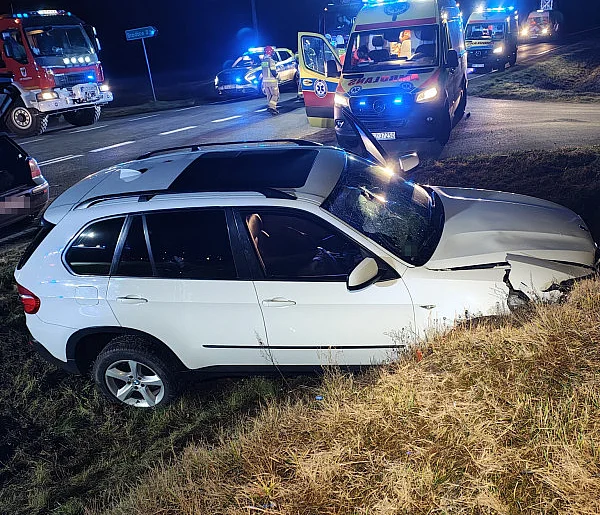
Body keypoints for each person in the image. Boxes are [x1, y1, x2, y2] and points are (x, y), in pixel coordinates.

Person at [261, 46, 280, 115]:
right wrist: (278, 77)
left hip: (265, 82)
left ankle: (272, 107)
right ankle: (272, 107)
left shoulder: (263, 61)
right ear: (270, 52)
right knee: (275, 95)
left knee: (269, 95)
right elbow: (273, 71)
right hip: (272, 81)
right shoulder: (271, 61)